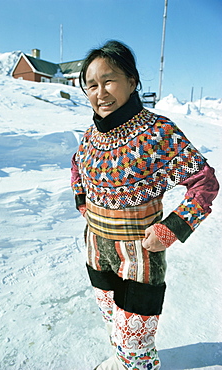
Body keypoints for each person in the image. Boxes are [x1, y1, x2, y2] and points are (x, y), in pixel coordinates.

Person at [71, 40, 219, 370]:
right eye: (91, 85)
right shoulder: (90, 136)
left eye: (108, 80)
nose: (100, 92)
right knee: (111, 315)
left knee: (135, 332)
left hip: (139, 254)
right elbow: (76, 165)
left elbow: (204, 184)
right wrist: (83, 202)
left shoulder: (158, 133)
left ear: (132, 81)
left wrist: (171, 229)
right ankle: (119, 359)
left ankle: (136, 364)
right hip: (97, 247)